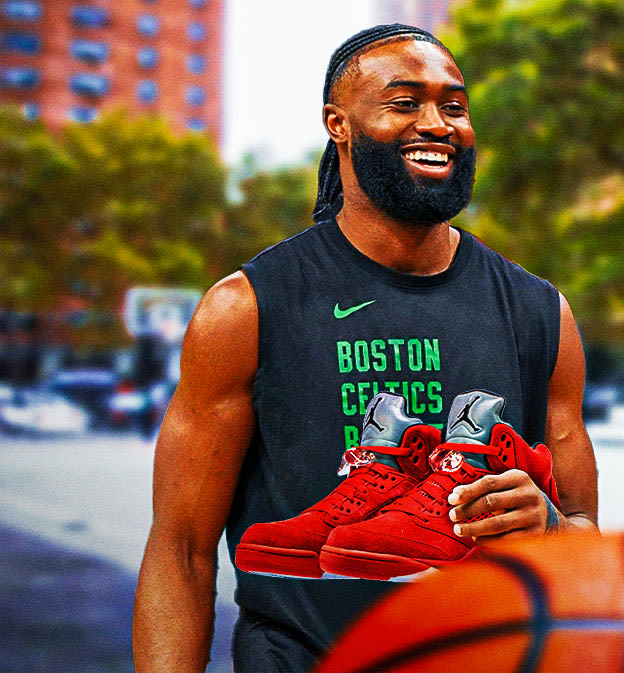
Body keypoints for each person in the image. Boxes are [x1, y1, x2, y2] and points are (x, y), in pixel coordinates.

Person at [133, 24, 598, 673]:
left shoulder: (538, 312)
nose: (437, 123)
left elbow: (585, 542)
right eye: (405, 102)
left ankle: (431, 493)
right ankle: (374, 493)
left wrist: (547, 524)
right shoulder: (247, 309)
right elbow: (181, 549)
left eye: (453, 106)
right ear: (339, 124)